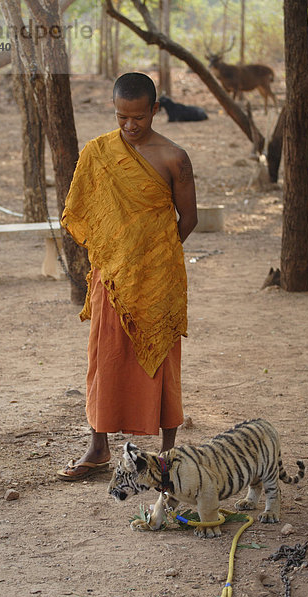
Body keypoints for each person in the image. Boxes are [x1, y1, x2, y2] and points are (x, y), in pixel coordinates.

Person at [57, 72, 198, 481]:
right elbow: (83, 210)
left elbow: (187, 218)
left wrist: (155, 255)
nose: (130, 126)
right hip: (112, 277)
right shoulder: (99, 152)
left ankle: (170, 454)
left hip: (160, 278)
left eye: (138, 117)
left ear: (155, 110)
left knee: (163, 361)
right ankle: (97, 446)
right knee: (105, 357)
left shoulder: (175, 157)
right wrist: (121, 254)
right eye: (121, 118)